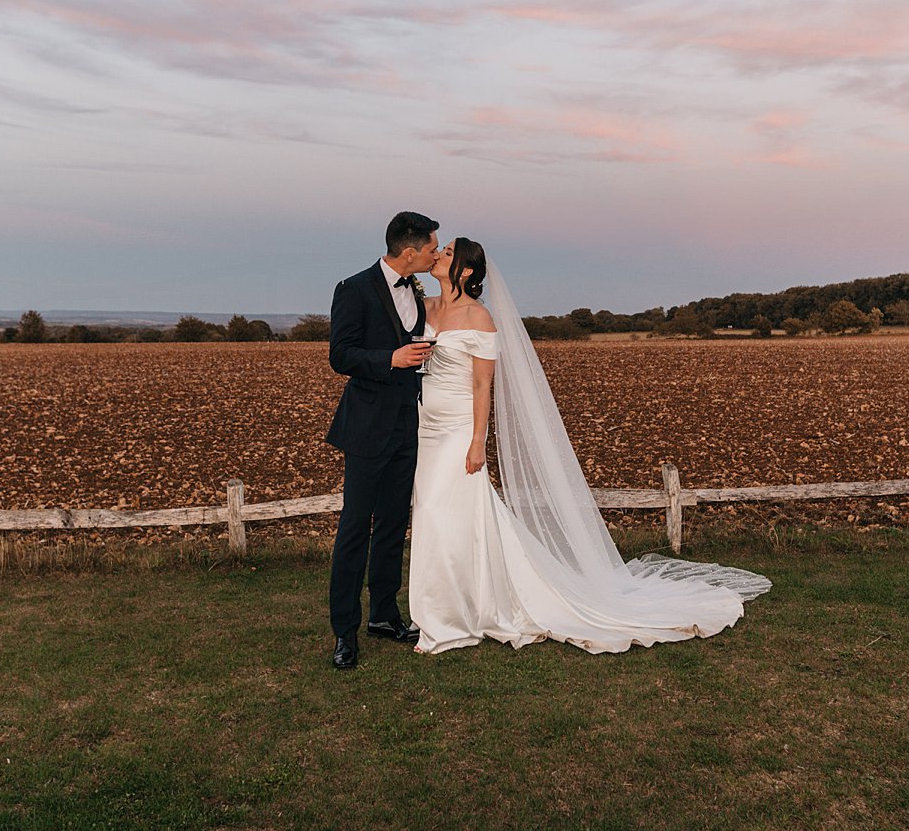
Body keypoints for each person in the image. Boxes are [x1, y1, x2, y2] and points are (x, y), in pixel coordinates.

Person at [409, 238, 770, 655]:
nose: (438, 256)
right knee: (439, 515)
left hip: (457, 429)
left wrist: (477, 442)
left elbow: (481, 384)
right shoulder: (427, 309)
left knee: (440, 510)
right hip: (424, 427)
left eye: (448, 253)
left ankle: (447, 621)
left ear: (467, 271)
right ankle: (455, 606)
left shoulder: (480, 317)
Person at [324, 212, 439, 669]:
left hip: (408, 427)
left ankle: (385, 616)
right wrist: (390, 358)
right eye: (432, 247)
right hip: (367, 426)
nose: (435, 253)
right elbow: (340, 355)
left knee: (393, 524)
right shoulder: (353, 289)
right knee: (355, 528)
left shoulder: (416, 288)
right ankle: (344, 632)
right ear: (408, 252)